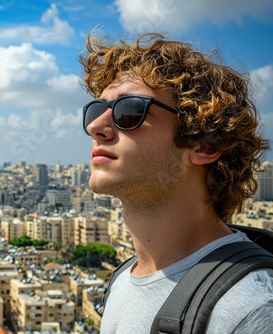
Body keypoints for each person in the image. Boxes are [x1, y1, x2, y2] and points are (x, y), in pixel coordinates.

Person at [79, 32, 272, 333]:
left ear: (205, 145)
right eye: (96, 109)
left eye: (129, 111)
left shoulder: (249, 308)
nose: (95, 127)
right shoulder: (122, 281)